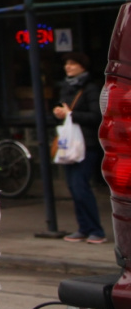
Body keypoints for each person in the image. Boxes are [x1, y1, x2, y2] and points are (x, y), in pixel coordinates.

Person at [55, 52, 106, 243]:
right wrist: (59, 113)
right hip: (70, 144)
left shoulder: (90, 89)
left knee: (80, 185)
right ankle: (83, 228)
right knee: (73, 186)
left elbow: (96, 116)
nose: (68, 67)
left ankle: (96, 230)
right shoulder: (66, 87)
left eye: (73, 63)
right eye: (67, 63)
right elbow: (65, 112)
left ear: (82, 66)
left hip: (86, 143)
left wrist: (71, 114)